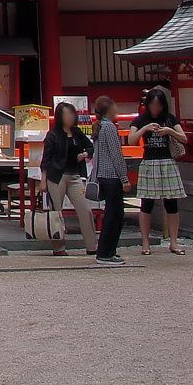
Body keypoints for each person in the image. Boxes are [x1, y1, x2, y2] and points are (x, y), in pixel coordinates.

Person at [128, 86, 189, 254]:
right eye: (153, 105)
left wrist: (169, 131)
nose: (155, 108)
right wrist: (145, 129)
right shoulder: (140, 120)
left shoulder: (170, 119)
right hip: (149, 163)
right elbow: (131, 140)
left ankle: (174, 242)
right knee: (146, 204)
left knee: (172, 203)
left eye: (159, 105)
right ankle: (145, 242)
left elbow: (184, 138)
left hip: (167, 162)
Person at [39, 101, 98, 257]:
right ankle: (59, 247)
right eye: (66, 115)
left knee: (85, 209)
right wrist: (43, 181)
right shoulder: (52, 135)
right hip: (56, 176)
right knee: (56, 212)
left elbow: (90, 146)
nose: (70, 117)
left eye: (71, 114)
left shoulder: (77, 132)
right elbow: (46, 160)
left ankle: (92, 246)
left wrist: (85, 154)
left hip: (74, 175)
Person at [91, 96, 130, 265]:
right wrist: (124, 178)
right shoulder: (109, 128)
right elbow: (116, 155)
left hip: (102, 175)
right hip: (112, 176)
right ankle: (107, 252)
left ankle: (106, 251)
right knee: (115, 215)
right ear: (110, 109)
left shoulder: (100, 127)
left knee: (111, 214)